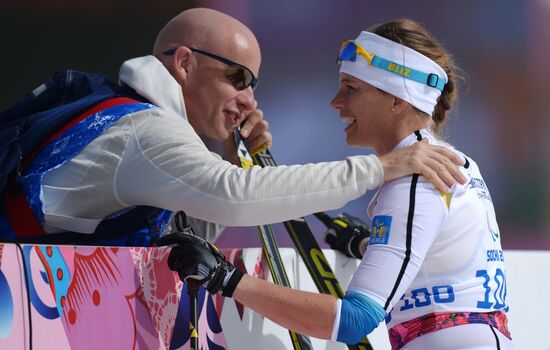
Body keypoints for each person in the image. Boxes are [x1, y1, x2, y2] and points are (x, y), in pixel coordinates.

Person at [158, 19, 513, 349]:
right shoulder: (442, 160)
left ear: (397, 99)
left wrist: (225, 278)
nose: (336, 102)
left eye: (351, 87)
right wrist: (364, 245)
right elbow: (436, 261)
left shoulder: (419, 177)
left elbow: (355, 319)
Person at [0, 8, 465, 246]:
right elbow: (235, 197)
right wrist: (381, 168)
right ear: (183, 63)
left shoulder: (135, 121)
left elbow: (198, 228)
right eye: (238, 77)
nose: (249, 98)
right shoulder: (143, 131)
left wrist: (234, 155)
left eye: (254, 83)